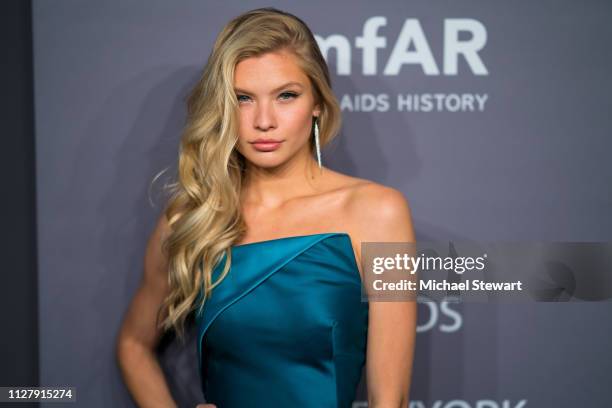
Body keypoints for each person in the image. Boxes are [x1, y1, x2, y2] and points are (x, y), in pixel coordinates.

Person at [116, 7, 416, 408]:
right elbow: (134, 344)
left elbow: (390, 399)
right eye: (242, 99)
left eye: (286, 95)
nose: (263, 121)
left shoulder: (378, 212)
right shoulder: (191, 217)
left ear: (316, 104)